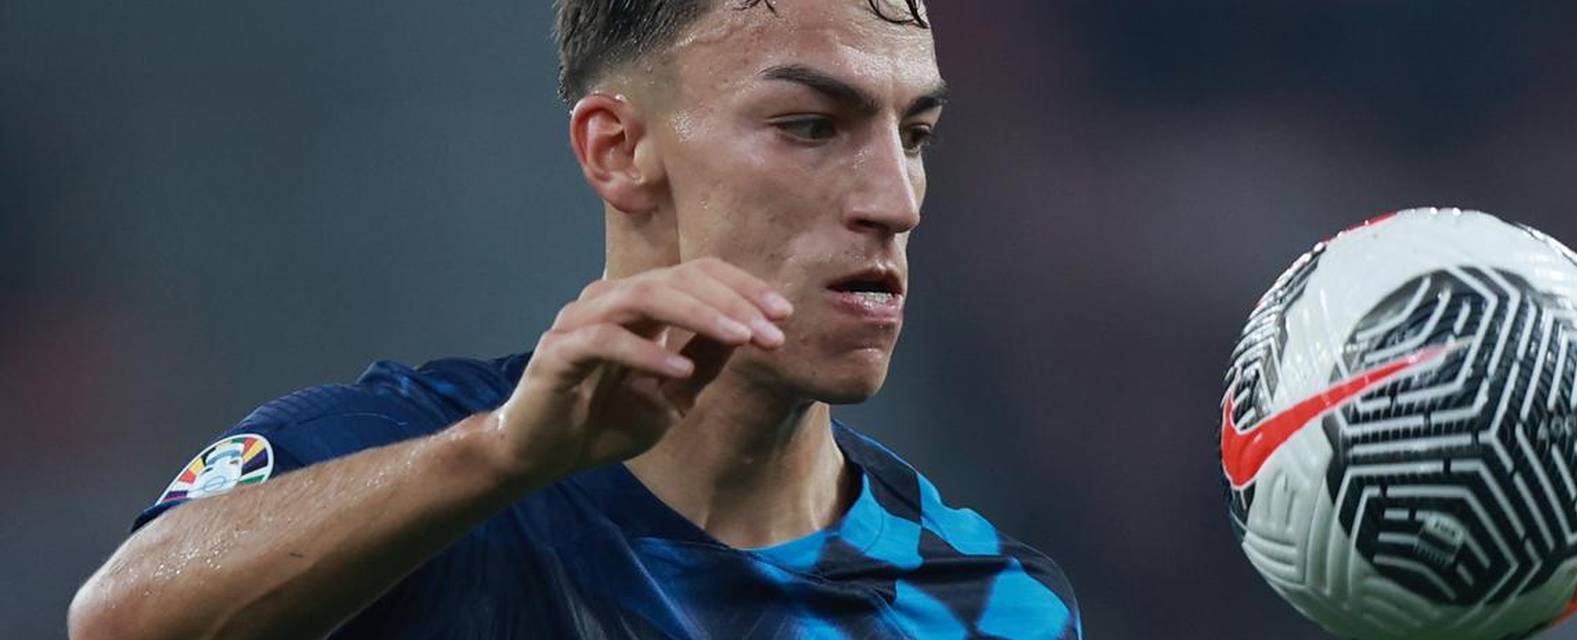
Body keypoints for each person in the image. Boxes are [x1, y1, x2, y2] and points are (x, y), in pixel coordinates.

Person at [67, 0, 1080, 637]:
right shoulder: (405, 475)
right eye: (811, 126)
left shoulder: (993, 603)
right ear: (617, 151)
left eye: (916, 134)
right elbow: (117, 623)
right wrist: (504, 456)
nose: (896, 200)